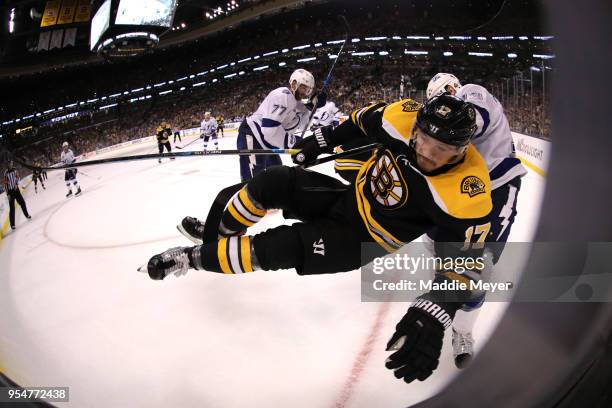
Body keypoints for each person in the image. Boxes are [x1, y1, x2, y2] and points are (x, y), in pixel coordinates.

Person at [143, 95, 492, 384]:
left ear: (462, 150)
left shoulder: (468, 192)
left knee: (273, 249)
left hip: (358, 238)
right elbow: (356, 123)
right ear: (416, 127)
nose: (427, 153)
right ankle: (216, 240)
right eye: (424, 139)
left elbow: (464, 264)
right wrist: (320, 142)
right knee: (272, 182)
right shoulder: (402, 116)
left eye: (442, 149)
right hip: (345, 198)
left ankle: (190, 258)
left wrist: (434, 313)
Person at [425, 73, 527, 368]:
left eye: (444, 98)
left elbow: (471, 121)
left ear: (451, 88)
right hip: (466, 195)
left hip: (497, 190)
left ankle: (463, 332)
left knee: (480, 269)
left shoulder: (471, 91)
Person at [236, 68, 326, 181]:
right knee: (252, 184)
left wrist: (314, 105)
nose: (305, 93)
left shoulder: (296, 102)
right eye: (303, 88)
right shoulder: (282, 96)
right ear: (294, 84)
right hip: (253, 136)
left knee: (278, 179)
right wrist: (296, 142)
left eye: (308, 90)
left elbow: (303, 123)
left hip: (268, 143)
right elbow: (269, 130)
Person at [3, 160, 32, 229]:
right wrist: (8, 194)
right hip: (10, 191)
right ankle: (12, 225)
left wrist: (17, 184)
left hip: (16, 190)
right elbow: (5, 184)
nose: (11, 165)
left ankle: (27, 215)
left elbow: (18, 178)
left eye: (11, 163)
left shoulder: (15, 169)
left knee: (22, 203)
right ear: (7, 165)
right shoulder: (6, 173)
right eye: (9, 164)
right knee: (12, 208)